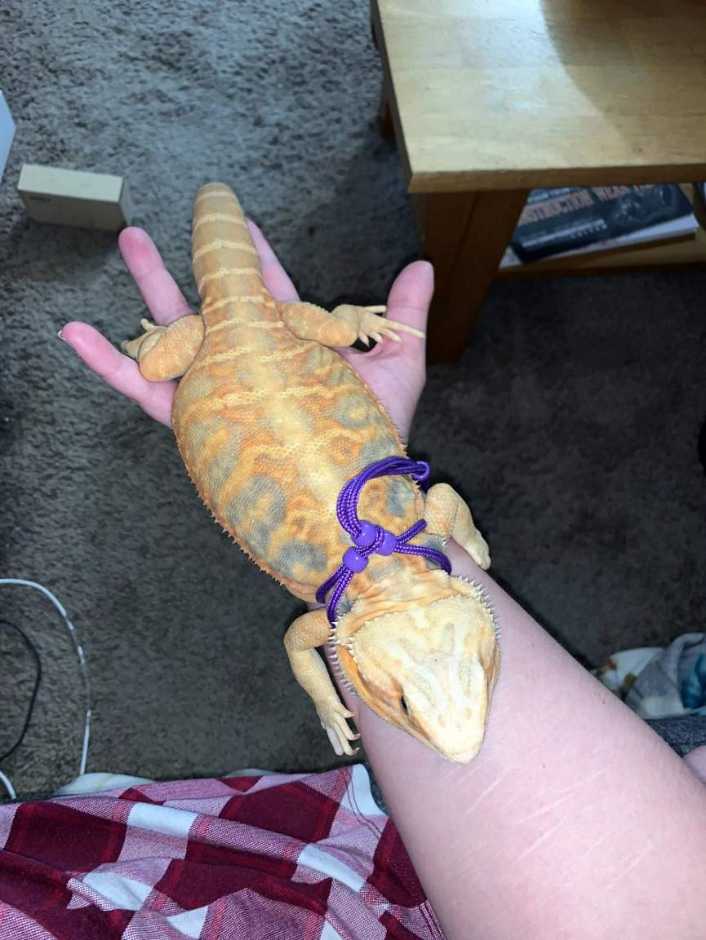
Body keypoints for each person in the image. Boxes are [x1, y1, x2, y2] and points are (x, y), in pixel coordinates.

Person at [50, 223, 706, 937]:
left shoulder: (386, 568)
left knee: (166, 366)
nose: (457, 736)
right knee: (155, 368)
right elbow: (312, 634)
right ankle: (188, 333)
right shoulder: (345, 610)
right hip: (252, 339)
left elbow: (433, 517)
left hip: (272, 342)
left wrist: (459, 546)